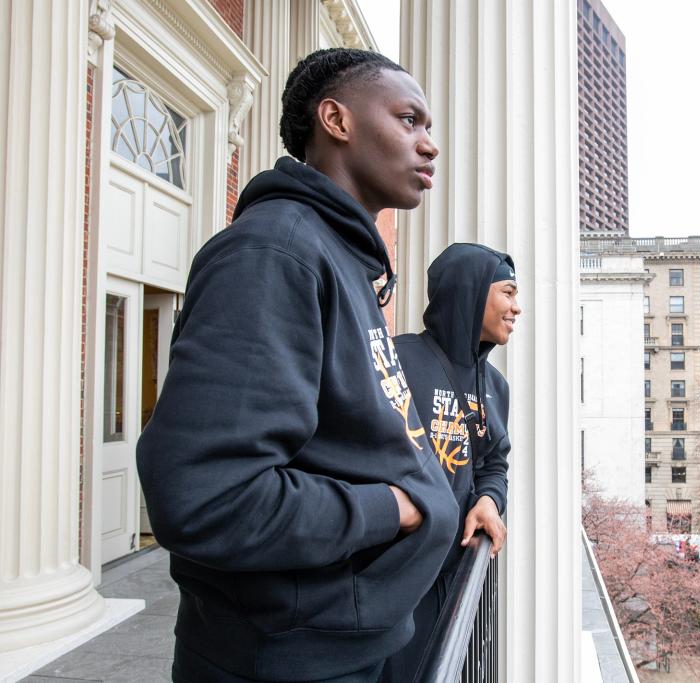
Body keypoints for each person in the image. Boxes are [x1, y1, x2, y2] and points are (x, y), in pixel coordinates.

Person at [136, 48, 459, 683]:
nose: (430, 146)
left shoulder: (337, 259)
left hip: (341, 643)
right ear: (335, 119)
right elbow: (208, 497)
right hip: (286, 660)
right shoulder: (275, 254)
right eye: (410, 120)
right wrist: (397, 507)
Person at [382, 243, 518, 681]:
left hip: (454, 582)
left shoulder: (496, 387)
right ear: (472, 292)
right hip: (392, 586)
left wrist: (490, 501)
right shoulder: (397, 360)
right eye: (508, 292)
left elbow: (494, 463)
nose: (517, 307)